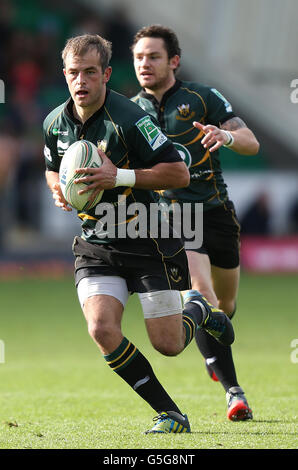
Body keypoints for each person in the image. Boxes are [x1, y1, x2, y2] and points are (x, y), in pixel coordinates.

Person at [43, 34, 234, 434]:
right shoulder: (54, 123)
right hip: (96, 243)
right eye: (74, 73)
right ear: (65, 75)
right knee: (101, 328)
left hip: (147, 240)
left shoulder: (130, 119)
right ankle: (170, 414)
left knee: (168, 344)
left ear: (107, 74)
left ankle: (197, 308)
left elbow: (178, 173)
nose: (82, 81)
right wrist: (58, 187)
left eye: (90, 73)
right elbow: (51, 165)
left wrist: (119, 176)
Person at [131, 25, 260, 421]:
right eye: (138, 57)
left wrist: (225, 135)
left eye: (153, 56)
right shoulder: (128, 109)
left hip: (217, 210)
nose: (144, 64)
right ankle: (234, 393)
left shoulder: (202, 97)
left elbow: (252, 142)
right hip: (174, 215)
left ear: (174, 61)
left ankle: (211, 347)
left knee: (226, 307)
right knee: (201, 294)